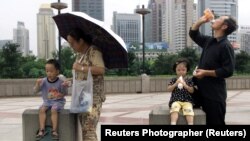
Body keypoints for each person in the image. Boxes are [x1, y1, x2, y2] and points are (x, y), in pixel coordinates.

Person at [189, 14, 238, 125]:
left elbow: (228, 70)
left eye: (219, 19)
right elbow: (193, 34)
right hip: (200, 91)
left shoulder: (226, 46)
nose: (215, 19)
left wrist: (205, 73)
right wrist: (200, 21)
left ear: (224, 26)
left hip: (214, 95)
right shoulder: (209, 41)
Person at [67, 28, 105, 141]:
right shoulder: (80, 55)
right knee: (85, 130)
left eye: (72, 43)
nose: (71, 46)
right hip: (82, 97)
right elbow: (81, 76)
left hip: (93, 97)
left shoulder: (93, 51)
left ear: (81, 40)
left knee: (89, 129)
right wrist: (70, 81)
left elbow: (101, 69)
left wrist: (81, 67)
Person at [34, 59, 68, 140]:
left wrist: (63, 88)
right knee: (42, 109)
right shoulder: (44, 81)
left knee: (54, 109)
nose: (49, 73)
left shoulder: (60, 81)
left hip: (58, 102)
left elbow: (64, 93)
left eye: (51, 71)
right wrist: (37, 84)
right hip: (47, 102)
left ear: (57, 71)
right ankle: (42, 129)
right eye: (47, 71)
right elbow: (35, 91)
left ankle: (54, 130)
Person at [167, 58, 195, 125]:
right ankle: (173, 123)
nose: (181, 72)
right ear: (175, 70)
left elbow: (192, 90)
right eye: (178, 70)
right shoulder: (174, 80)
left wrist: (185, 85)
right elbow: (169, 89)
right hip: (176, 100)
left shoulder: (189, 80)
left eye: (183, 70)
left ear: (187, 70)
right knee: (174, 109)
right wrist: (175, 84)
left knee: (189, 111)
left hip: (187, 100)